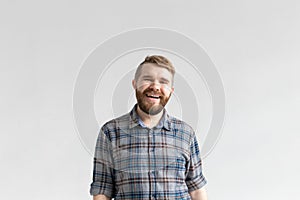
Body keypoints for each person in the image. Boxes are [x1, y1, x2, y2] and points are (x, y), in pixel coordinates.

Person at [90, 55, 208, 200]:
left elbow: (196, 189)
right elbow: (102, 190)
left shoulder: (186, 133)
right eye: (147, 79)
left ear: (171, 90)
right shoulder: (110, 132)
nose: (155, 87)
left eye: (163, 82)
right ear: (134, 83)